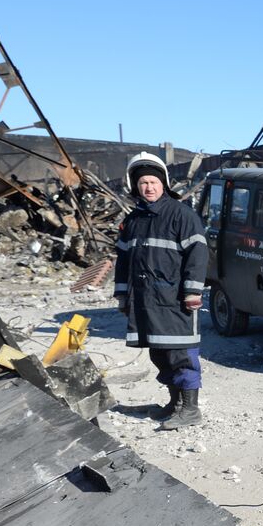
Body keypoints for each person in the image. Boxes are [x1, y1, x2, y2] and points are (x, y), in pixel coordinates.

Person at [113, 152, 209, 430]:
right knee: (159, 353)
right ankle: (175, 403)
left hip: (175, 300)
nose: (149, 187)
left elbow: (198, 255)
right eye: (143, 182)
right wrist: (122, 295)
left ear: (163, 183)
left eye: (154, 181)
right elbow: (123, 262)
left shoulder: (181, 215)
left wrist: (193, 291)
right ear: (135, 186)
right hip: (145, 300)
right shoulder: (132, 221)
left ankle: (191, 409)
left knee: (182, 355)